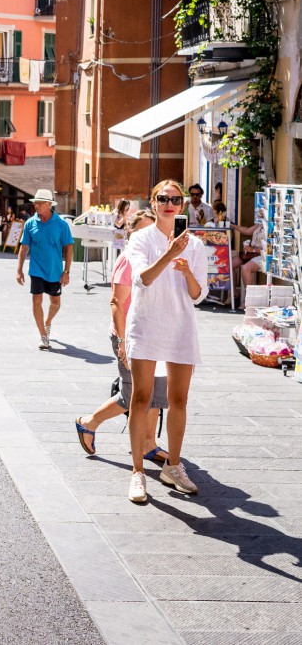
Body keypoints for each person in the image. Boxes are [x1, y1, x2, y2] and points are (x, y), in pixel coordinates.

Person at [122, 179, 208, 503]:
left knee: (179, 400)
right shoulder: (140, 238)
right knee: (141, 398)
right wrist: (170, 253)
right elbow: (142, 278)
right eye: (163, 198)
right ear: (153, 202)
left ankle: (173, 465)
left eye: (175, 199)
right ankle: (137, 472)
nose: (169, 204)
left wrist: (186, 271)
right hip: (147, 324)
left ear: (183, 205)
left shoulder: (196, 246)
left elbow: (199, 295)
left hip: (181, 326)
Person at [74, 211, 173, 466]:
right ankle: (89, 422)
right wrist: (121, 342)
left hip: (156, 333)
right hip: (130, 336)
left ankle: (149, 444)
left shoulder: (159, 259)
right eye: (142, 231)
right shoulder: (128, 259)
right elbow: (117, 302)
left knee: (156, 394)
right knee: (133, 395)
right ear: (131, 234)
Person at [15, 189, 74, 350]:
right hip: (36, 269)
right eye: (36, 202)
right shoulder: (30, 223)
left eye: (40, 203)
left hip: (55, 270)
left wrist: (66, 271)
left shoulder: (61, 224)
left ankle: (47, 322)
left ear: (49, 204)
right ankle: (43, 335)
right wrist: (19, 270)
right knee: (36, 300)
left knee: (55, 302)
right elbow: (24, 247)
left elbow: (69, 248)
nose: (36, 205)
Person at [235, 217, 266, 305]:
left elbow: (268, 249)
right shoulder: (260, 224)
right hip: (251, 252)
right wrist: (233, 226)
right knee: (230, 264)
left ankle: (249, 299)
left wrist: (252, 250)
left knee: (246, 268)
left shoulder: (272, 226)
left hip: (262, 255)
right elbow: (248, 231)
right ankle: (234, 293)